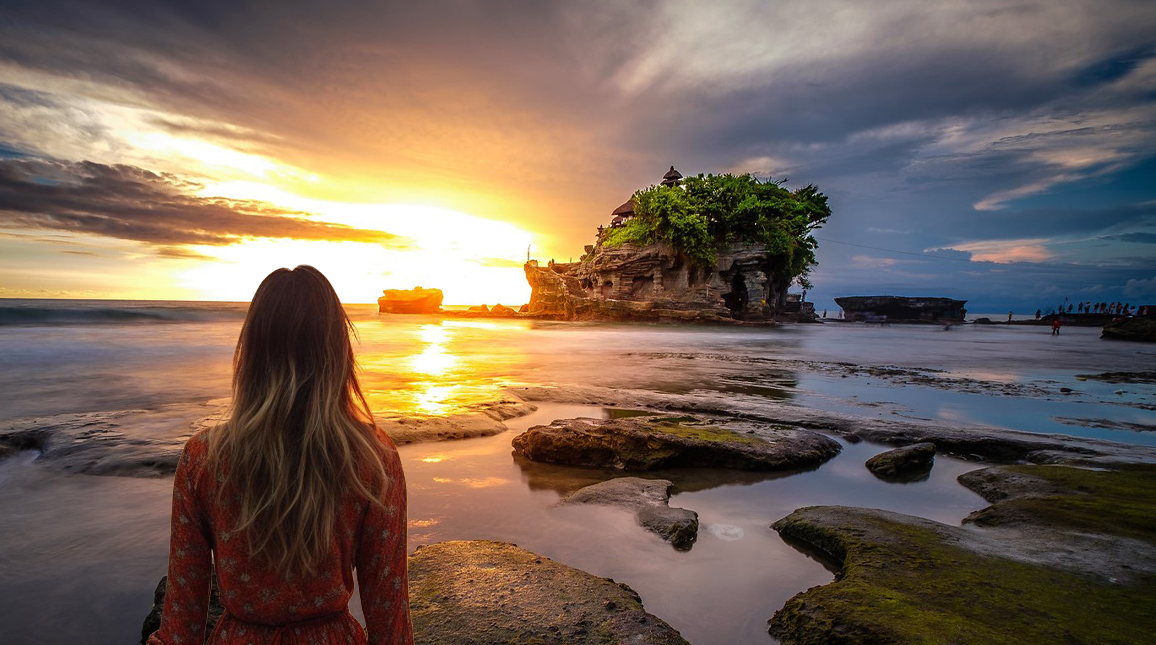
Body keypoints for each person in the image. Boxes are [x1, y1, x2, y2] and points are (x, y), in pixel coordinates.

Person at [147, 266, 413, 645]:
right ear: (337, 353)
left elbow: (180, 626)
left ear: (251, 352)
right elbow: (390, 619)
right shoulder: (374, 461)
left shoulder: (203, 460)